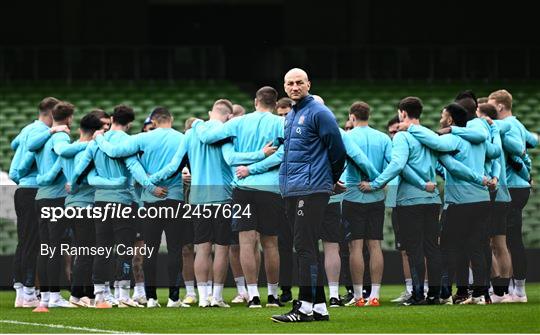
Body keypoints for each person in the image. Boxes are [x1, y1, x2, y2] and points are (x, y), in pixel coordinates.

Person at [191, 88, 285, 309]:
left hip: (243, 188)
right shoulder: (282, 123)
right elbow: (282, 154)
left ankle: (252, 296)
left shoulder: (238, 123)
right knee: (270, 244)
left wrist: (195, 123)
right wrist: (260, 165)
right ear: (275, 102)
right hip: (271, 188)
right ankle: (272, 295)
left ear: (255, 101)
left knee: (246, 242)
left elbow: (207, 136)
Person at [92, 106, 191, 308]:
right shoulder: (182, 139)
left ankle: (151, 298)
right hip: (175, 199)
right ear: (171, 118)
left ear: (153, 122)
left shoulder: (142, 138)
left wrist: (99, 138)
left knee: (150, 250)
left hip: (150, 201)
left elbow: (113, 151)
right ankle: (173, 298)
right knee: (175, 249)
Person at [271, 68, 346, 323]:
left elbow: (337, 149)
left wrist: (330, 179)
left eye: (299, 82)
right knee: (308, 247)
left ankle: (302, 308)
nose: (294, 87)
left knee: (303, 247)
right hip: (293, 189)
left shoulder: (319, 112)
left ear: (308, 84)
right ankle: (319, 307)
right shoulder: (291, 114)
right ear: (285, 87)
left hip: (311, 189)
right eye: (290, 83)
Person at [72, 104, 163, 308]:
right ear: (130, 123)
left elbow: (79, 169)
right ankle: (122, 294)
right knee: (124, 248)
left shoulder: (96, 142)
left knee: (102, 247)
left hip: (100, 202)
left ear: (112, 118)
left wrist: (74, 183)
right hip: (123, 201)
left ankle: (100, 294)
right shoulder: (127, 141)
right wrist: (151, 187)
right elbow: (134, 168)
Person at [403, 102, 494, 304]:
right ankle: (480, 294)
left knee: (448, 247)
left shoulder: (454, 139)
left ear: (450, 119)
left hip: (461, 201)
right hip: (482, 199)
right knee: (476, 247)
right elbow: (493, 153)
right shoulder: (479, 142)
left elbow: (436, 143)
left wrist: (410, 127)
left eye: (443, 115)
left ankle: (444, 294)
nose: (441, 119)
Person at [360, 97, 441, 306]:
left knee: (414, 249)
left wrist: (376, 184)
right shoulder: (430, 136)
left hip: (410, 200)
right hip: (433, 199)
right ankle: (434, 294)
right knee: (431, 247)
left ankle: (417, 294)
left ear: (402, 113)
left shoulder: (402, 137)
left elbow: (397, 165)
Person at [28, 101, 86, 309]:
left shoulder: (42, 136)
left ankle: (44, 297)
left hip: (41, 198)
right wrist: (88, 143)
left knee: (45, 249)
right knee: (54, 248)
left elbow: (29, 146)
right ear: (70, 118)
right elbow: (63, 152)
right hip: (56, 197)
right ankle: (53, 297)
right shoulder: (60, 136)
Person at [9, 97, 63, 308]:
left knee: (24, 241)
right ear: (51, 114)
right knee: (35, 242)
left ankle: (21, 290)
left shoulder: (27, 130)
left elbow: (14, 144)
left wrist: (19, 176)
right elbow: (25, 163)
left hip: (22, 188)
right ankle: (30, 291)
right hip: (34, 189)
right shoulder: (42, 133)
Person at [488, 89, 537, 302]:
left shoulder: (504, 127)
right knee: (511, 239)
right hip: (521, 187)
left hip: (512, 188)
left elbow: (516, 148)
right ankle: (516, 289)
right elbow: (533, 142)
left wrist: (521, 160)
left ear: (499, 106)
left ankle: (515, 291)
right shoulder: (518, 124)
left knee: (508, 240)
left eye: (491, 106)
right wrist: (528, 170)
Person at [342, 102, 390, 307]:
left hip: (353, 194)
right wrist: (378, 183)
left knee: (355, 247)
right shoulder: (384, 138)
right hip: (376, 196)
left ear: (352, 117)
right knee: (375, 245)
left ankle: (359, 295)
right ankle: (375, 294)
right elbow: (391, 166)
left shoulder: (348, 137)